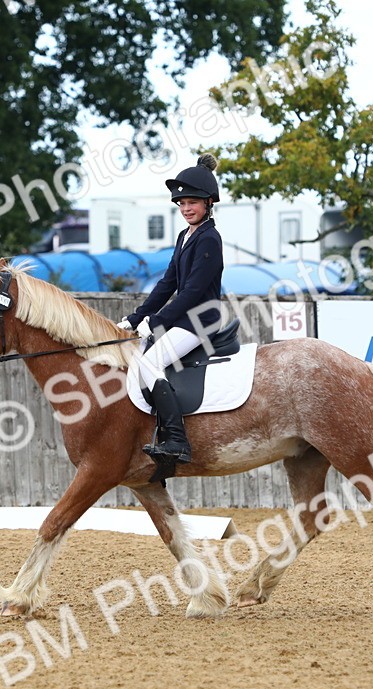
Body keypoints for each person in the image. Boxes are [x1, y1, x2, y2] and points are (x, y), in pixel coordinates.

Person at [118, 153, 224, 470]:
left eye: (192, 202)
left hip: (201, 321)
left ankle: (177, 440)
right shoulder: (184, 236)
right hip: (182, 320)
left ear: (208, 203)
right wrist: (136, 317)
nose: (186, 208)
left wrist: (157, 321)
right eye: (181, 203)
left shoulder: (210, 239)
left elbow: (191, 292)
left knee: (149, 363)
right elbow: (168, 283)